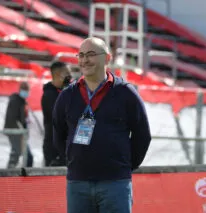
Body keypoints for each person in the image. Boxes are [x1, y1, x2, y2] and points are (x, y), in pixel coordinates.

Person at [52, 37, 151, 213]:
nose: (84, 60)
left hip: (115, 184)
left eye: (90, 54)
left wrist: (126, 165)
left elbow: (142, 134)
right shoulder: (67, 96)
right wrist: (72, 160)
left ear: (107, 58)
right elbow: (58, 132)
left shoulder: (125, 93)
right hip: (78, 184)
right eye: (81, 55)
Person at [41, 61, 71, 166]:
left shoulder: (64, 92)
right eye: (67, 73)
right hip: (54, 149)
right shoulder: (49, 95)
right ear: (58, 75)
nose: (70, 76)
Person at [4, 81, 33, 168]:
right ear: (20, 90)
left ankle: (11, 172)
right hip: (16, 131)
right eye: (24, 90)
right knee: (19, 153)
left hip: (20, 131)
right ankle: (10, 172)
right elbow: (12, 118)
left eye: (27, 90)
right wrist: (21, 130)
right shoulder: (15, 101)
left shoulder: (22, 102)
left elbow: (22, 118)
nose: (26, 92)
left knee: (19, 153)